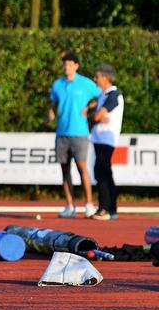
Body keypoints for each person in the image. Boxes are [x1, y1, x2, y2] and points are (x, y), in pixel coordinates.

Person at [47, 51, 101, 218]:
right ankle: (70, 206)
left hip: (80, 133)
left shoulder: (85, 83)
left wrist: (90, 107)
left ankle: (89, 205)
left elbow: (101, 96)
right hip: (61, 132)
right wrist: (50, 113)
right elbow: (53, 102)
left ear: (76, 66)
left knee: (82, 167)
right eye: (64, 64)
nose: (66, 67)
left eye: (69, 64)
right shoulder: (57, 84)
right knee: (64, 170)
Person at [89, 64, 124, 221]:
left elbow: (96, 117)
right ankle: (111, 209)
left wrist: (94, 116)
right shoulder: (102, 95)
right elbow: (96, 116)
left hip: (107, 140)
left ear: (105, 77)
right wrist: (95, 115)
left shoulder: (113, 95)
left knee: (102, 172)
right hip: (99, 139)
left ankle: (105, 208)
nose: (95, 79)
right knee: (103, 172)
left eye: (97, 76)